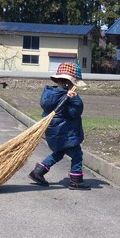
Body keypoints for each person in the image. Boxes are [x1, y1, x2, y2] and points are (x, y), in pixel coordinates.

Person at [28, 62, 90, 190]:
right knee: (77, 155)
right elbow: (74, 113)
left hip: (54, 133)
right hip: (67, 134)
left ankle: (38, 171)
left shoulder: (50, 95)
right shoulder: (66, 97)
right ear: (70, 83)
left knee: (58, 153)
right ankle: (76, 180)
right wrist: (76, 100)